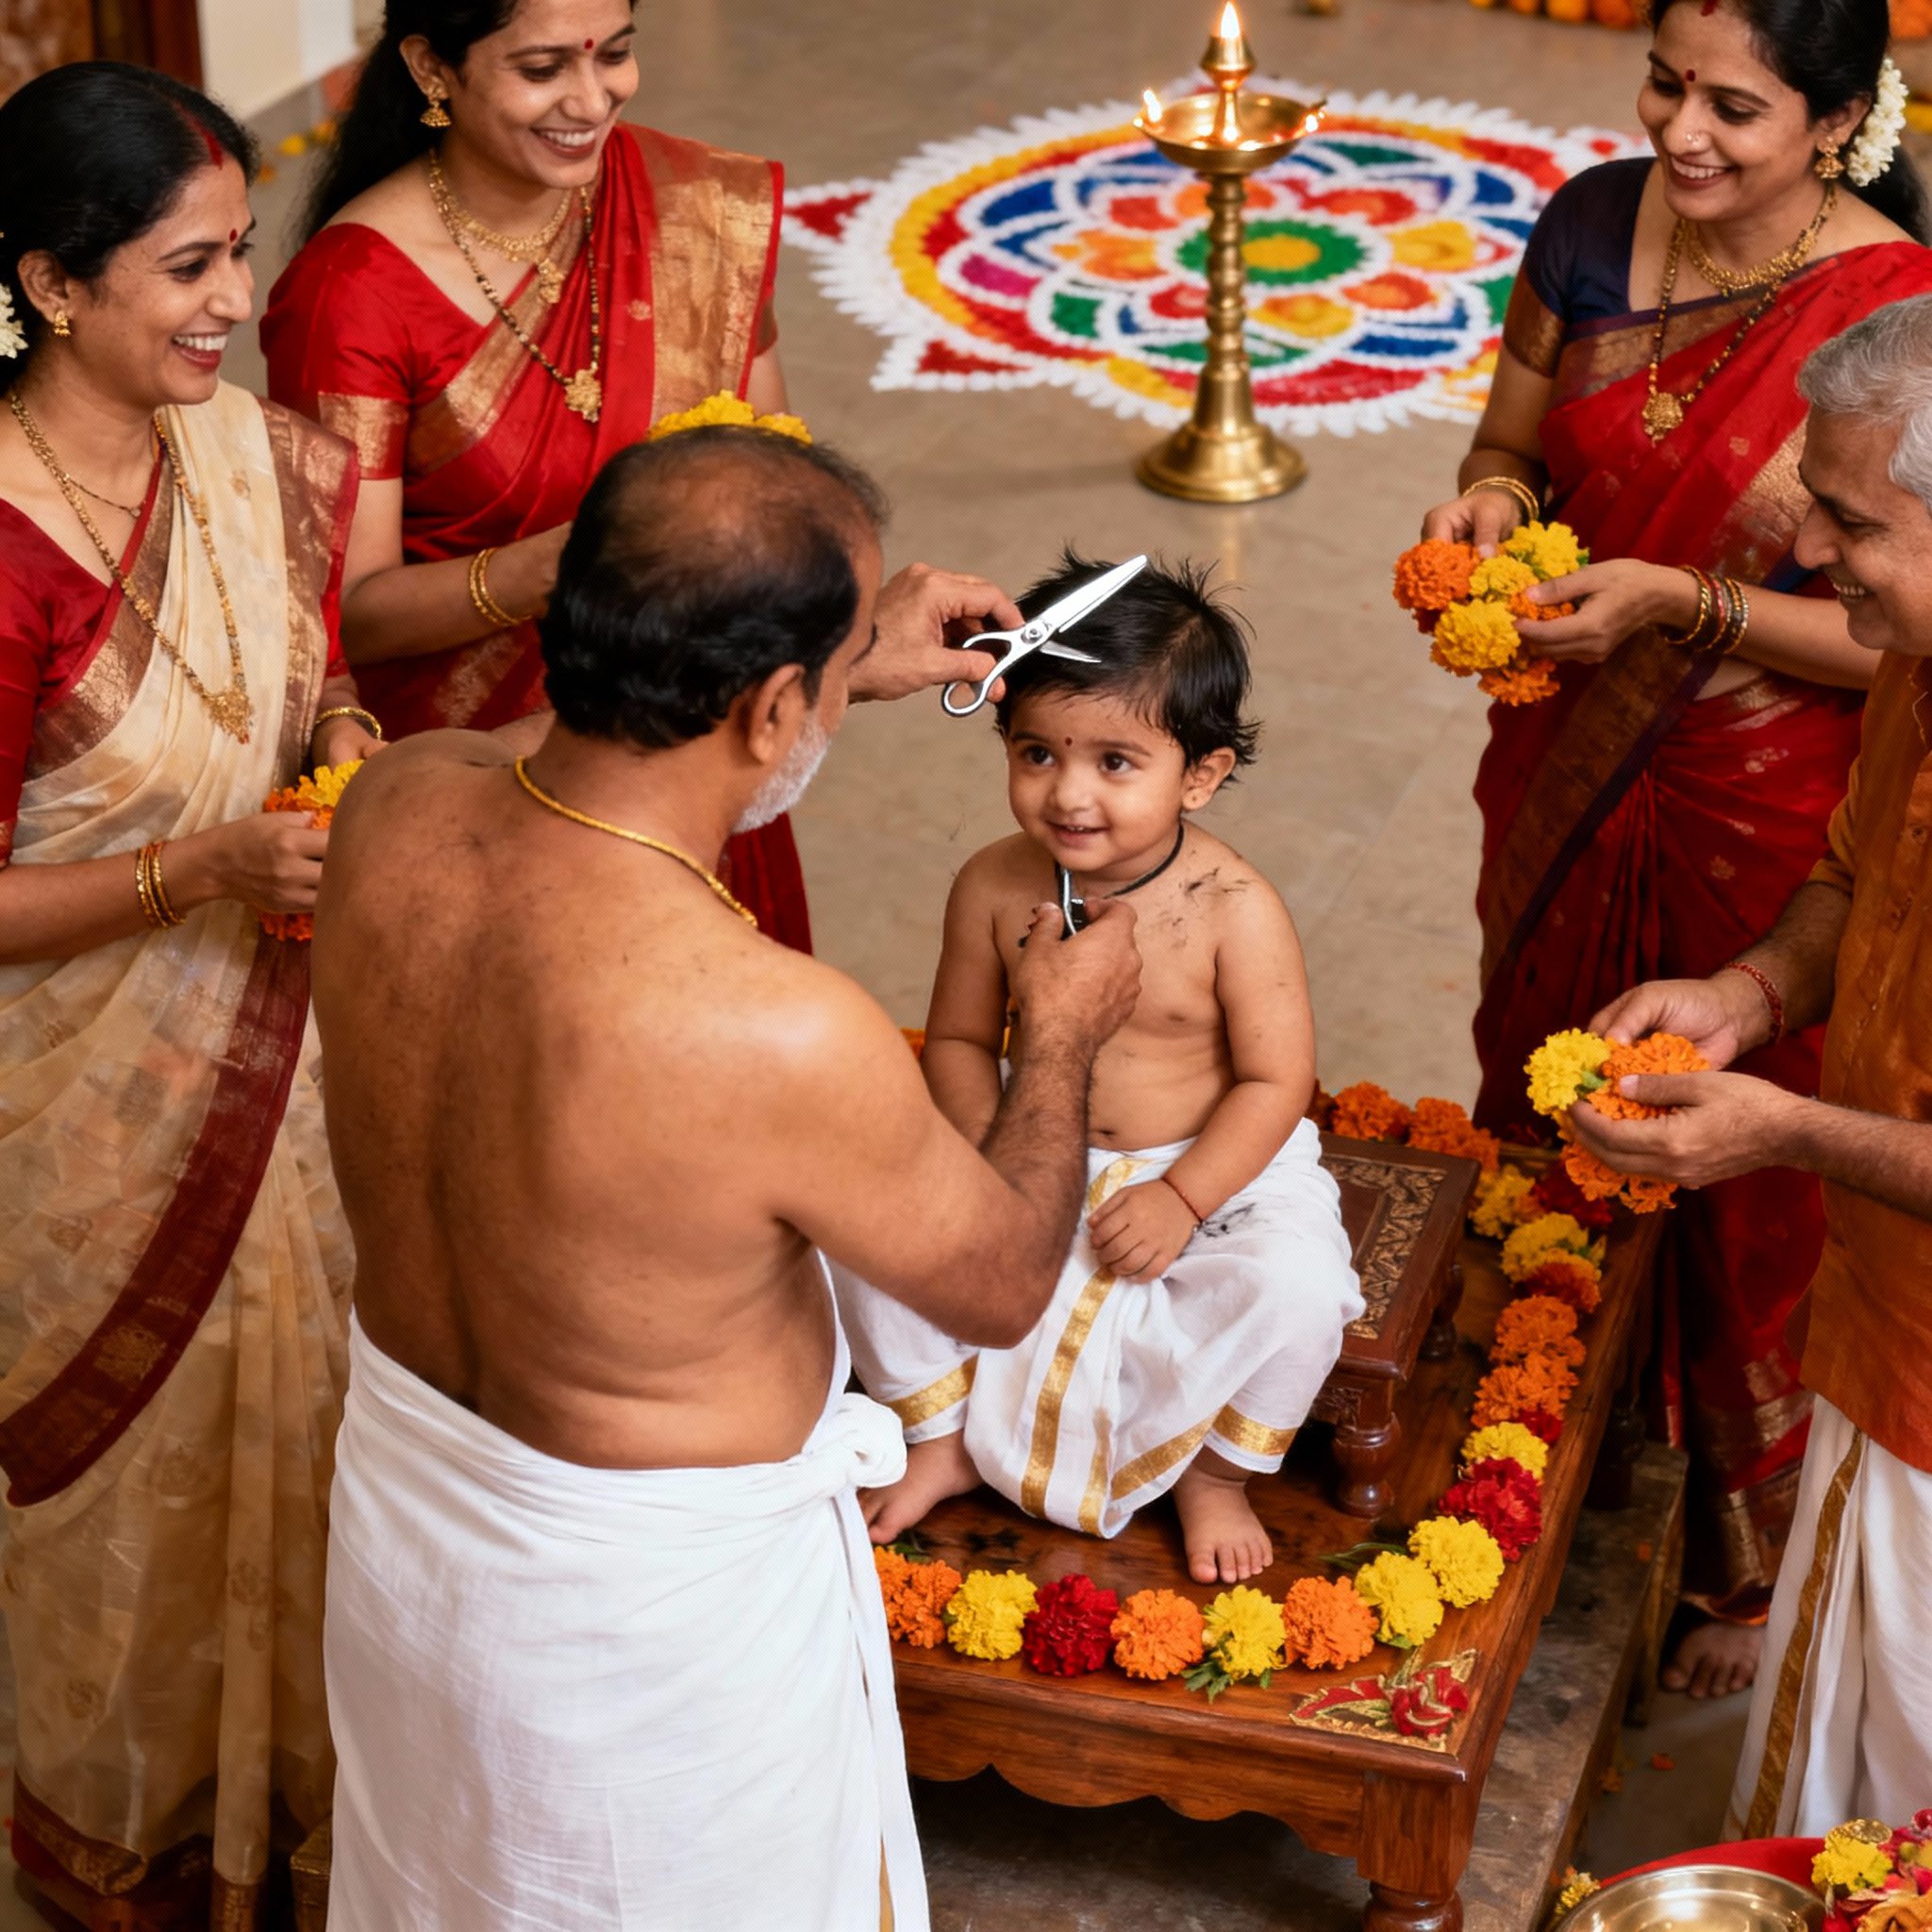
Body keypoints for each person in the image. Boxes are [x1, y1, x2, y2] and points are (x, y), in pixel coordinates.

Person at [308, 426, 1141, 1932]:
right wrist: (1063, 1038)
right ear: (768, 707)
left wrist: (838, 669)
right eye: (820, 684)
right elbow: (1007, 1281)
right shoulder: (771, 1026)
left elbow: (585, 780)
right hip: (642, 1642)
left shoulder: (393, 810)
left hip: (409, 1553)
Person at [1417, 0, 1932, 1696]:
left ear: (1840, 119)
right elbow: (1507, 441)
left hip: (1763, 778)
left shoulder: (1891, 327)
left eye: (1736, 105)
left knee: (1772, 1167)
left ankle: (1750, 1528)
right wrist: (1489, 511)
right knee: (1563, 1058)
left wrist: (1678, 603)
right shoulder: (1580, 226)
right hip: (1572, 745)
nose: (1683, 133)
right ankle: (1541, 1427)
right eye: (1663, 86)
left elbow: (1889, 635)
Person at [0, 63, 378, 1931]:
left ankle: (315, 1824)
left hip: (297, 1076)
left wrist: (350, 746)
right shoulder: (1, 543)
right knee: (127, 1489)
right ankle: (127, 1849)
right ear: (54, 286)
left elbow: (310, 696)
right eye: (183, 267)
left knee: (313, 1439)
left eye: (240, 253)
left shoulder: (248, 458)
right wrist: (204, 870)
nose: (234, 303)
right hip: (77, 1121)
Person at [1566, 293, 1932, 1833]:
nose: (1807, 550)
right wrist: (1739, 992)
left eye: (1848, 521)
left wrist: (1778, 1129)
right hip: (1885, 1320)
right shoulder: (1913, 656)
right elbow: (1852, 873)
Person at [836, 556, 1363, 1586]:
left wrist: (1179, 1194)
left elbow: (1272, 1083)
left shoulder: (1230, 907)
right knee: (852, 1219)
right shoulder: (991, 882)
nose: (1067, 793)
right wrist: (991, 1155)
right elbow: (952, 1041)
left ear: (1199, 775)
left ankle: (1215, 1473)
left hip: (1205, 1175)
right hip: (1026, 1141)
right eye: (1035, 751)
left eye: (1116, 762)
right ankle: (938, 1434)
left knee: (1297, 1289)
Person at [261, 0, 815, 944]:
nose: (592, 99)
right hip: (488, 786)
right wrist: (560, 565)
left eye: (616, 56)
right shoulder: (353, 295)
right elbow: (347, 612)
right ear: (434, 68)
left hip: (691, 729)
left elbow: (778, 472)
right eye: (542, 68)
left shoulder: (687, 204)